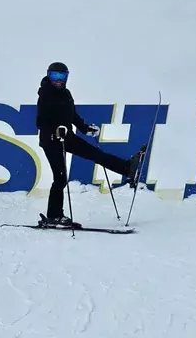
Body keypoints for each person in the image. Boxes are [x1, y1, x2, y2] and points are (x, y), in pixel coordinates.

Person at [35, 61, 144, 227]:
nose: (58, 80)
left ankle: (127, 169)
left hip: (67, 137)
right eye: (54, 76)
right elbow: (41, 122)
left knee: (95, 154)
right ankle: (54, 216)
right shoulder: (45, 95)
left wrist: (85, 129)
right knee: (60, 177)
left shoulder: (66, 94)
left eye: (62, 76)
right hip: (51, 141)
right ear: (49, 76)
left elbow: (72, 115)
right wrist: (56, 130)